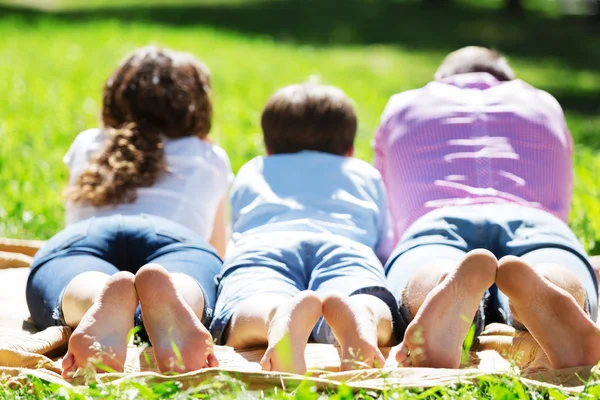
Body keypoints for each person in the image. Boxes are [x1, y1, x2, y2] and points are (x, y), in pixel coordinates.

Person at [374, 46, 600, 369]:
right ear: (509, 80)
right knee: (548, 262)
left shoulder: (402, 106)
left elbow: (386, 203)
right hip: (535, 219)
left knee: (429, 265)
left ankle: (440, 286)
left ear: (439, 80)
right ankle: (551, 287)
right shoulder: (544, 104)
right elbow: (561, 197)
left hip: (437, 219)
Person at [26, 46, 232, 377]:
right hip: (174, 237)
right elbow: (217, 249)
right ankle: (174, 298)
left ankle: (97, 299)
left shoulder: (88, 142)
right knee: (188, 279)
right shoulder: (209, 157)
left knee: (79, 279)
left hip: (86, 234)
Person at [210, 83, 399, 374]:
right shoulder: (364, 174)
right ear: (349, 150)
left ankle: (274, 316)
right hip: (344, 245)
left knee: (252, 300)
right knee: (365, 297)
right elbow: (384, 243)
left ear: (269, 148)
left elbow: (237, 230)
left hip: (265, 243)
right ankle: (361, 316)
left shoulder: (254, 169)